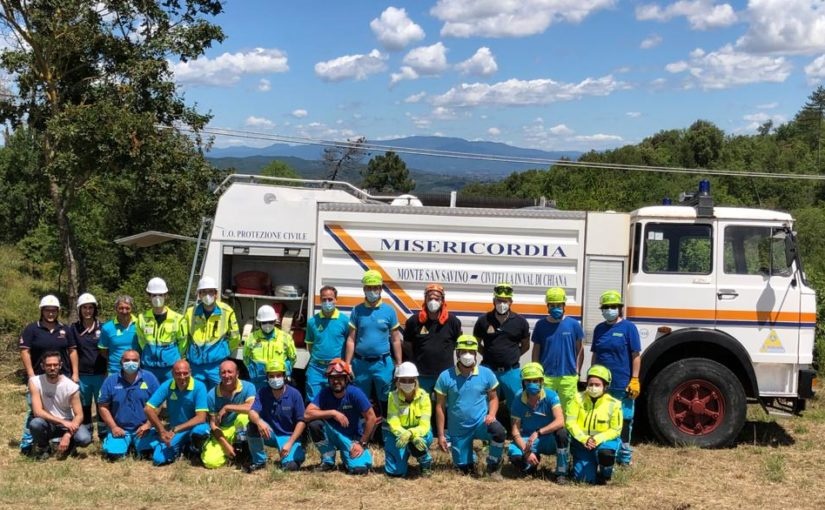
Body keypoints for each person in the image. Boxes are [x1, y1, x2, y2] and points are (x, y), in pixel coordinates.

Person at [434, 335, 506, 479]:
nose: (467, 355)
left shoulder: (486, 373)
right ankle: (469, 457)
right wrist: (441, 435)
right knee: (465, 471)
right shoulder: (445, 376)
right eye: (463, 351)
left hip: (481, 423)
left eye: (471, 352)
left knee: (499, 431)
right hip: (459, 429)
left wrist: (491, 415)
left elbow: (493, 398)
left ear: (476, 353)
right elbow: (440, 407)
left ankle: (493, 465)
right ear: (457, 353)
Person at [18, 295, 78, 454]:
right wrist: (31, 374)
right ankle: (27, 443)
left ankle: (66, 439)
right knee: (34, 412)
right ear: (42, 311)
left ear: (58, 311)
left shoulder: (65, 329)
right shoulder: (32, 329)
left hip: (62, 377)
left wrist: (75, 374)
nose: (50, 313)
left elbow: (72, 351)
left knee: (64, 410)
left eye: (53, 310)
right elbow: (25, 351)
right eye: (47, 310)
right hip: (38, 378)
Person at [591, 290, 641, 466]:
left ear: (619, 309)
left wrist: (635, 379)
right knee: (603, 419)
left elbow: (636, 355)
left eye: (613, 306)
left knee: (625, 420)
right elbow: (595, 355)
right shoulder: (599, 329)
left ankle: (624, 456)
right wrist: (592, 376)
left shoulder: (629, 328)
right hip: (602, 385)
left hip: (622, 384)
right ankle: (606, 452)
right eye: (605, 307)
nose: (609, 310)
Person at [345, 269, 402, 419]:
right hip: (361, 364)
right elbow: (351, 339)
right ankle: (362, 430)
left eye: (375, 287)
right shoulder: (357, 310)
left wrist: (399, 364)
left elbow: (396, 339)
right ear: (364, 289)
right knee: (360, 400)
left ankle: (386, 429)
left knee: (386, 399)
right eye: (369, 288)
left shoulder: (389, 311)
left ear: (380, 289)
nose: (372, 291)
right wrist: (348, 364)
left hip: (383, 364)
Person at [305, 358, 378, 475]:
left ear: (346, 378)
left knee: (359, 470)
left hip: (352, 438)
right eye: (332, 378)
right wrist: (332, 412)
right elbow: (307, 414)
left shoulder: (355, 393)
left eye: (339, 378)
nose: (335, 381)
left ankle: (347, 458)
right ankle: (328, 460)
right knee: (315, 424)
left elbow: (371, 418)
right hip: (331, 434)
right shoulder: (324, 393)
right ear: (328, 379)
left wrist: (362, 443)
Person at [508, 362, 569, 483]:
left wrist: (538, 432)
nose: (532, 384)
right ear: (523, 383)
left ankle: (561, 472)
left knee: (562, 434)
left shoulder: (551, 395)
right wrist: (526, 452)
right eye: (528, 381)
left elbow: (560, 421)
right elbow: (515, 431)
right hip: (528, 440)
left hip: (549, 438)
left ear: (541, 381)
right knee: (516, 458)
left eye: (535, 381)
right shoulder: (518, 398)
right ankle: (531, 465)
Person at [473, 282, 530, 412]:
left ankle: (514, 425)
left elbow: (526, 346)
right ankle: (487, 425)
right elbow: (476, 344)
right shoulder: (483, 320)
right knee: (485, 404)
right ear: (494, 301)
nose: (502, 304)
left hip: (511, 371)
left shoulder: (520, 322)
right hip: (488, 370)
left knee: (516, 405)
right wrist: (488, 354)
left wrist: (512, 356)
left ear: (511, 302)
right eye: (499, 300)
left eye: (505, 301)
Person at [143, 359, 211, 466]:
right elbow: (148, 408)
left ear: (190, 372)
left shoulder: (199, 386)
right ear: (172, 373)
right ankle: (181, 448)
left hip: (194, 427)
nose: (182, 377)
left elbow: (201, 417)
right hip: (176, 431)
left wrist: (176, 429)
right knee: (158, 459)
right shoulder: (167, 385)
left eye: (185, 373)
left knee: (199, 432)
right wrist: (162, 431)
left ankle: (195, 451)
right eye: (178, 374)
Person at [97, 350, 160, 460]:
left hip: (143, 429)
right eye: (127, 360)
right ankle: (122, 443)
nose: (131, 363)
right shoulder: (111, 380)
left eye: (134, 360)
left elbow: (158, 404)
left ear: (139, 362)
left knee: (147, 455)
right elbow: (103, 406)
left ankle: (136, 444)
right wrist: (114, 427)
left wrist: (149, 424)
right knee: (114, 456)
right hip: (120, 429)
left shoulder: (150, 378)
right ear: (121, 361)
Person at [28, 351, 91, 460]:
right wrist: (62, 422)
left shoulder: (71, 386)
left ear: (60, 365)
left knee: (85, 438)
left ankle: (70, 444)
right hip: (48, 422)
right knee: (35, 423)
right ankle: (44, 448)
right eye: (48, 365)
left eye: (55, 365)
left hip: (68, 422)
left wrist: (68, 434)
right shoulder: (35, 382)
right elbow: (37, 411)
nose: (52, 368)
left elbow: (79, 415)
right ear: (43, 366)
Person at [246, 360, 307, 472]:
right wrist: (259, 422)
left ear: (284, 376)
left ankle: (297, 452)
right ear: (267, 377)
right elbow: (252, 412)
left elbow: (301, 422)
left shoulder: (295, 394)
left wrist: (290, 443)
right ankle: (259, 461)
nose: (275, 379)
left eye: (278, 375)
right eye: (271, 376)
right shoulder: (262, 392)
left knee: (291, 467)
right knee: (252, 425)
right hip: (270, 433)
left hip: (289, 436)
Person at [531, 287, 584, 416]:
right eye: (552, 305)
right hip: (547, 376)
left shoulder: (574, 324)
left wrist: (577, 371)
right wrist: (536, 372)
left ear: (564, 305)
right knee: (545, 409)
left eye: (559, 305)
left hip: (568, 376)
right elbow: (536, 350)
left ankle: (565, 430)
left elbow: (580, 350)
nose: (556, 308)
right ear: (547, 306)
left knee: (569, 411)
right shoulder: (540, 325)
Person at [567, 365, 623, 485]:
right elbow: (570, 422)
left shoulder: (614, 404)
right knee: (584, 479)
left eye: (597, 385)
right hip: (582, 444)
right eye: (590, 384)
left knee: (606, 454)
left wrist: (596, 439)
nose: (593, 387)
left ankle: (606, 473)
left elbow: (615, 430)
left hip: (604, 443)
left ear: (605, 386)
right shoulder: (577, 398)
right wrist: (584, 439)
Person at [403, 283, 462, 394]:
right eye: (430, 298)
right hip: (421, 375)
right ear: (425, 299)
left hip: (445, 375)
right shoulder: (414, 321)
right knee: (422, 403)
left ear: (442, 301)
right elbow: (407, 344)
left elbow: (458, 344)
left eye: (437, 298)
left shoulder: (453, 321)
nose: (433, 301)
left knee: (444, 403)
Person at [185, 276, 240, 389]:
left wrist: (224, 351)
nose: (207, 295)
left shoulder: (226, 311)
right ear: (199, 295)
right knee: (197, 395)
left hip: (217, 366)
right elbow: (185, 337)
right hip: (195, 366)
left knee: (219, 395)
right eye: (204, 292)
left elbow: (235, 337)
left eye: (210, 291)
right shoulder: (190, 312)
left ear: (216, 294)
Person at [201, 360, 256, 469]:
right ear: (219, 375)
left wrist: (227, 407)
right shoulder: (211, 395)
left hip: (240, 427)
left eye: (230, 372)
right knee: (210, 462)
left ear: (237, 373)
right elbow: (213, 424)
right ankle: (231, 451)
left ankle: (245, 451)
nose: (226, 375)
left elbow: (251, 407)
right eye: (223, 372)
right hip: (223, 430)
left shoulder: (248, 387)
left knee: (244, 417)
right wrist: (225, 444)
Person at [383, 362, 433, 478]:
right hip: (399, 434)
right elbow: (393, 422)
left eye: (410, 380)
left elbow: (425, 424)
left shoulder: (424, 397)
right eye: (403, 380)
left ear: (416, 381)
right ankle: (403, 458)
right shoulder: (392, 397)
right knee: (396, 473)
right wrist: (404, 433)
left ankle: (425, 461)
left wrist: (411, 433)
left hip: (420, 434)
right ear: (398, 382)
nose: (407, 383)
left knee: (418, 442)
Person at [69, 293, 107, 440]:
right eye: (84, 308)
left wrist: (108, 370)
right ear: (79, 309)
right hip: (82, 374)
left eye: (90, 307)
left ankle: (103, 432)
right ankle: (87, 431)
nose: (88, 311)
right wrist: (75, 374)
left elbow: (107, 350)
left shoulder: (103, 327)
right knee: (84, 404)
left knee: (101, 403)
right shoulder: (74, 328)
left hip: (100, 373)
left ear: (95, 309)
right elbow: (73, 351)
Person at [136, 277, 188, 383]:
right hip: (149, 366)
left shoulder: (178, 318)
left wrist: (172, 356)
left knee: (171, 392)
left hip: (170, 367)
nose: (157, 298)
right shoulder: (142, 318)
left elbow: (183, 343)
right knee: (149, 392)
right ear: (149, 297)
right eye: (154, 295)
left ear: (166, 296)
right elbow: (141, 341)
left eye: (160, 295)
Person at [305, 285, 349, 401]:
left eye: (330, 299)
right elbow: (310, 345)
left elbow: (349, 343)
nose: (327, 302)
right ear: (320, 300)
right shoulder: (312, 321)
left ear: (336, 300)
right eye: (324, 299)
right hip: (316, 368)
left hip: (337, 368)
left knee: (336, 399)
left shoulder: (345, 321)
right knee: (313, 400)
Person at [244, 305, 296, 390]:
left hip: (277, 377)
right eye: (264, 322)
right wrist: (252, 370)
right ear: (259, 323)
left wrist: (286, 372)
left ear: (275, 321)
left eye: (270, 322)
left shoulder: (285, 337)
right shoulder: (251, 338)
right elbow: (246, 357)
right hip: (258, 379)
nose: (267, 325)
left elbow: (292, 358)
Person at [98, 295, 139, 376]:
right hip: (115, 371)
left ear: (132, 308)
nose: (124, 311)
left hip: (136, 371)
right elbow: (103, 351)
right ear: (116, 309)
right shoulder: (107, 328)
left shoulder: (140, 324)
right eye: (121, 308)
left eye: (127, 308)